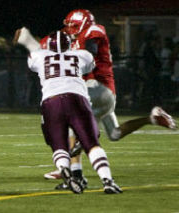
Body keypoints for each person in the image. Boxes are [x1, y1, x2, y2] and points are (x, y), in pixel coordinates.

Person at [14, 9, 177, 189]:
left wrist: (33, 43)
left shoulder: (93, 33)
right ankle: (152, 117)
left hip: (96, 89)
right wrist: (29, 40)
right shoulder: (69, 41)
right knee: (114, 134)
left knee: (71, 125)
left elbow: (88, 50)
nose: (70, 29)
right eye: (68, 26)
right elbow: (51, 48)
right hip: (101, 96)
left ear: (84, 24)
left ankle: (74, 175)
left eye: (74, 26)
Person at [23, 30, 122, 194]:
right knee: (92, 144)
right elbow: (89, 66)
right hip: (77, 99)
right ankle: (108, 181)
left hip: (52, 101)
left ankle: (65, 170)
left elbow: (33, 63)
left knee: (59, 146)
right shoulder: (82, 55)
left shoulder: (39, 56)